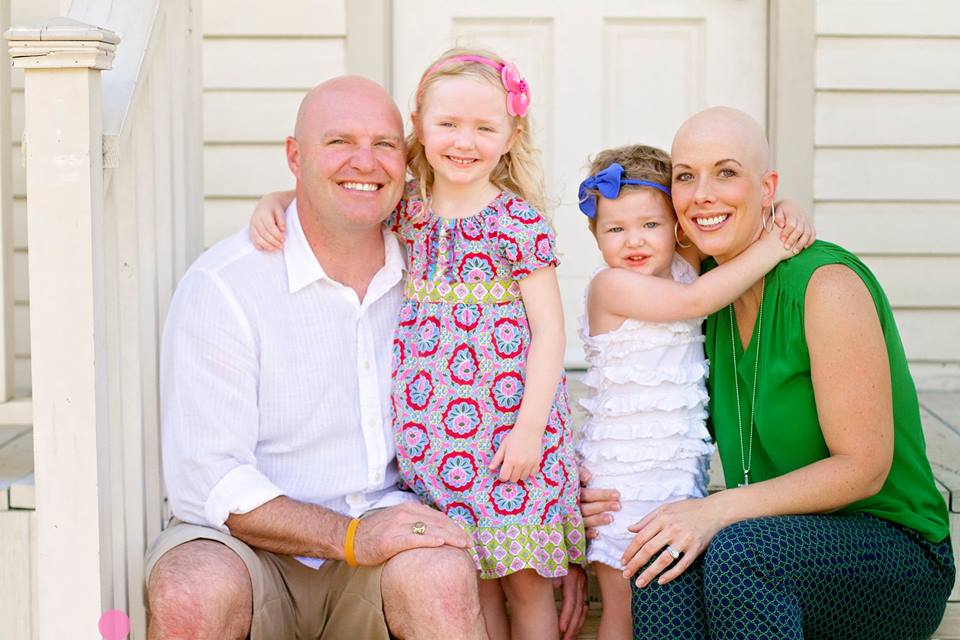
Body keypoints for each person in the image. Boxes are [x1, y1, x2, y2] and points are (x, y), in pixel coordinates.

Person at [144, 76, 501, 640]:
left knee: (438, 573)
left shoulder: (438, 267)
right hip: (250, 545)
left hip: (386, 529)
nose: (366, 161)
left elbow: (510, 370)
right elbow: (208, 479)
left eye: (384, 144)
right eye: (339, 142)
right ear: (295, 156)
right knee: (191, 588)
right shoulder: (225, 285)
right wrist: (349, 537)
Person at [248, 49, 586, 640]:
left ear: (511, 137)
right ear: (419, 127)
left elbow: (551, 331)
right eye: (448, 123)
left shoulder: (517, 223)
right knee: (472, 582)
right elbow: (327, 200)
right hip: (439, 441)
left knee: (526, 582)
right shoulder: (406, 208)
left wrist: (530, 429)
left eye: (485, 128)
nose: (465, 141)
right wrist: (275, 201)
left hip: (510, 434)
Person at [587, 107, 956, 639]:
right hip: (771, 536)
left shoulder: (826, 285)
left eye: (727, 172)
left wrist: (715, 511)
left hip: (891, 553)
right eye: (686, 176)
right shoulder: (701, 290)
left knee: (739, 552)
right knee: (659, 558)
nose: (703, 194)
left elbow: (864, 469)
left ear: (766, 188)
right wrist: (595, 487)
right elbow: (655, 410)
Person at [574, 144, 811, 639]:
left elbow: (737, 222)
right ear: (595, 236)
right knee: (624, 608)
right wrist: (775, 246)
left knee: (664, 601)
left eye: (650, 224)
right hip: (623, 479)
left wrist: (782, 209)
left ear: (678, 227)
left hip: (679, 469)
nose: (634, 240)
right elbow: (696, 301)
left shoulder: (682, 264)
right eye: (615, 229)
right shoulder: (611, 286)